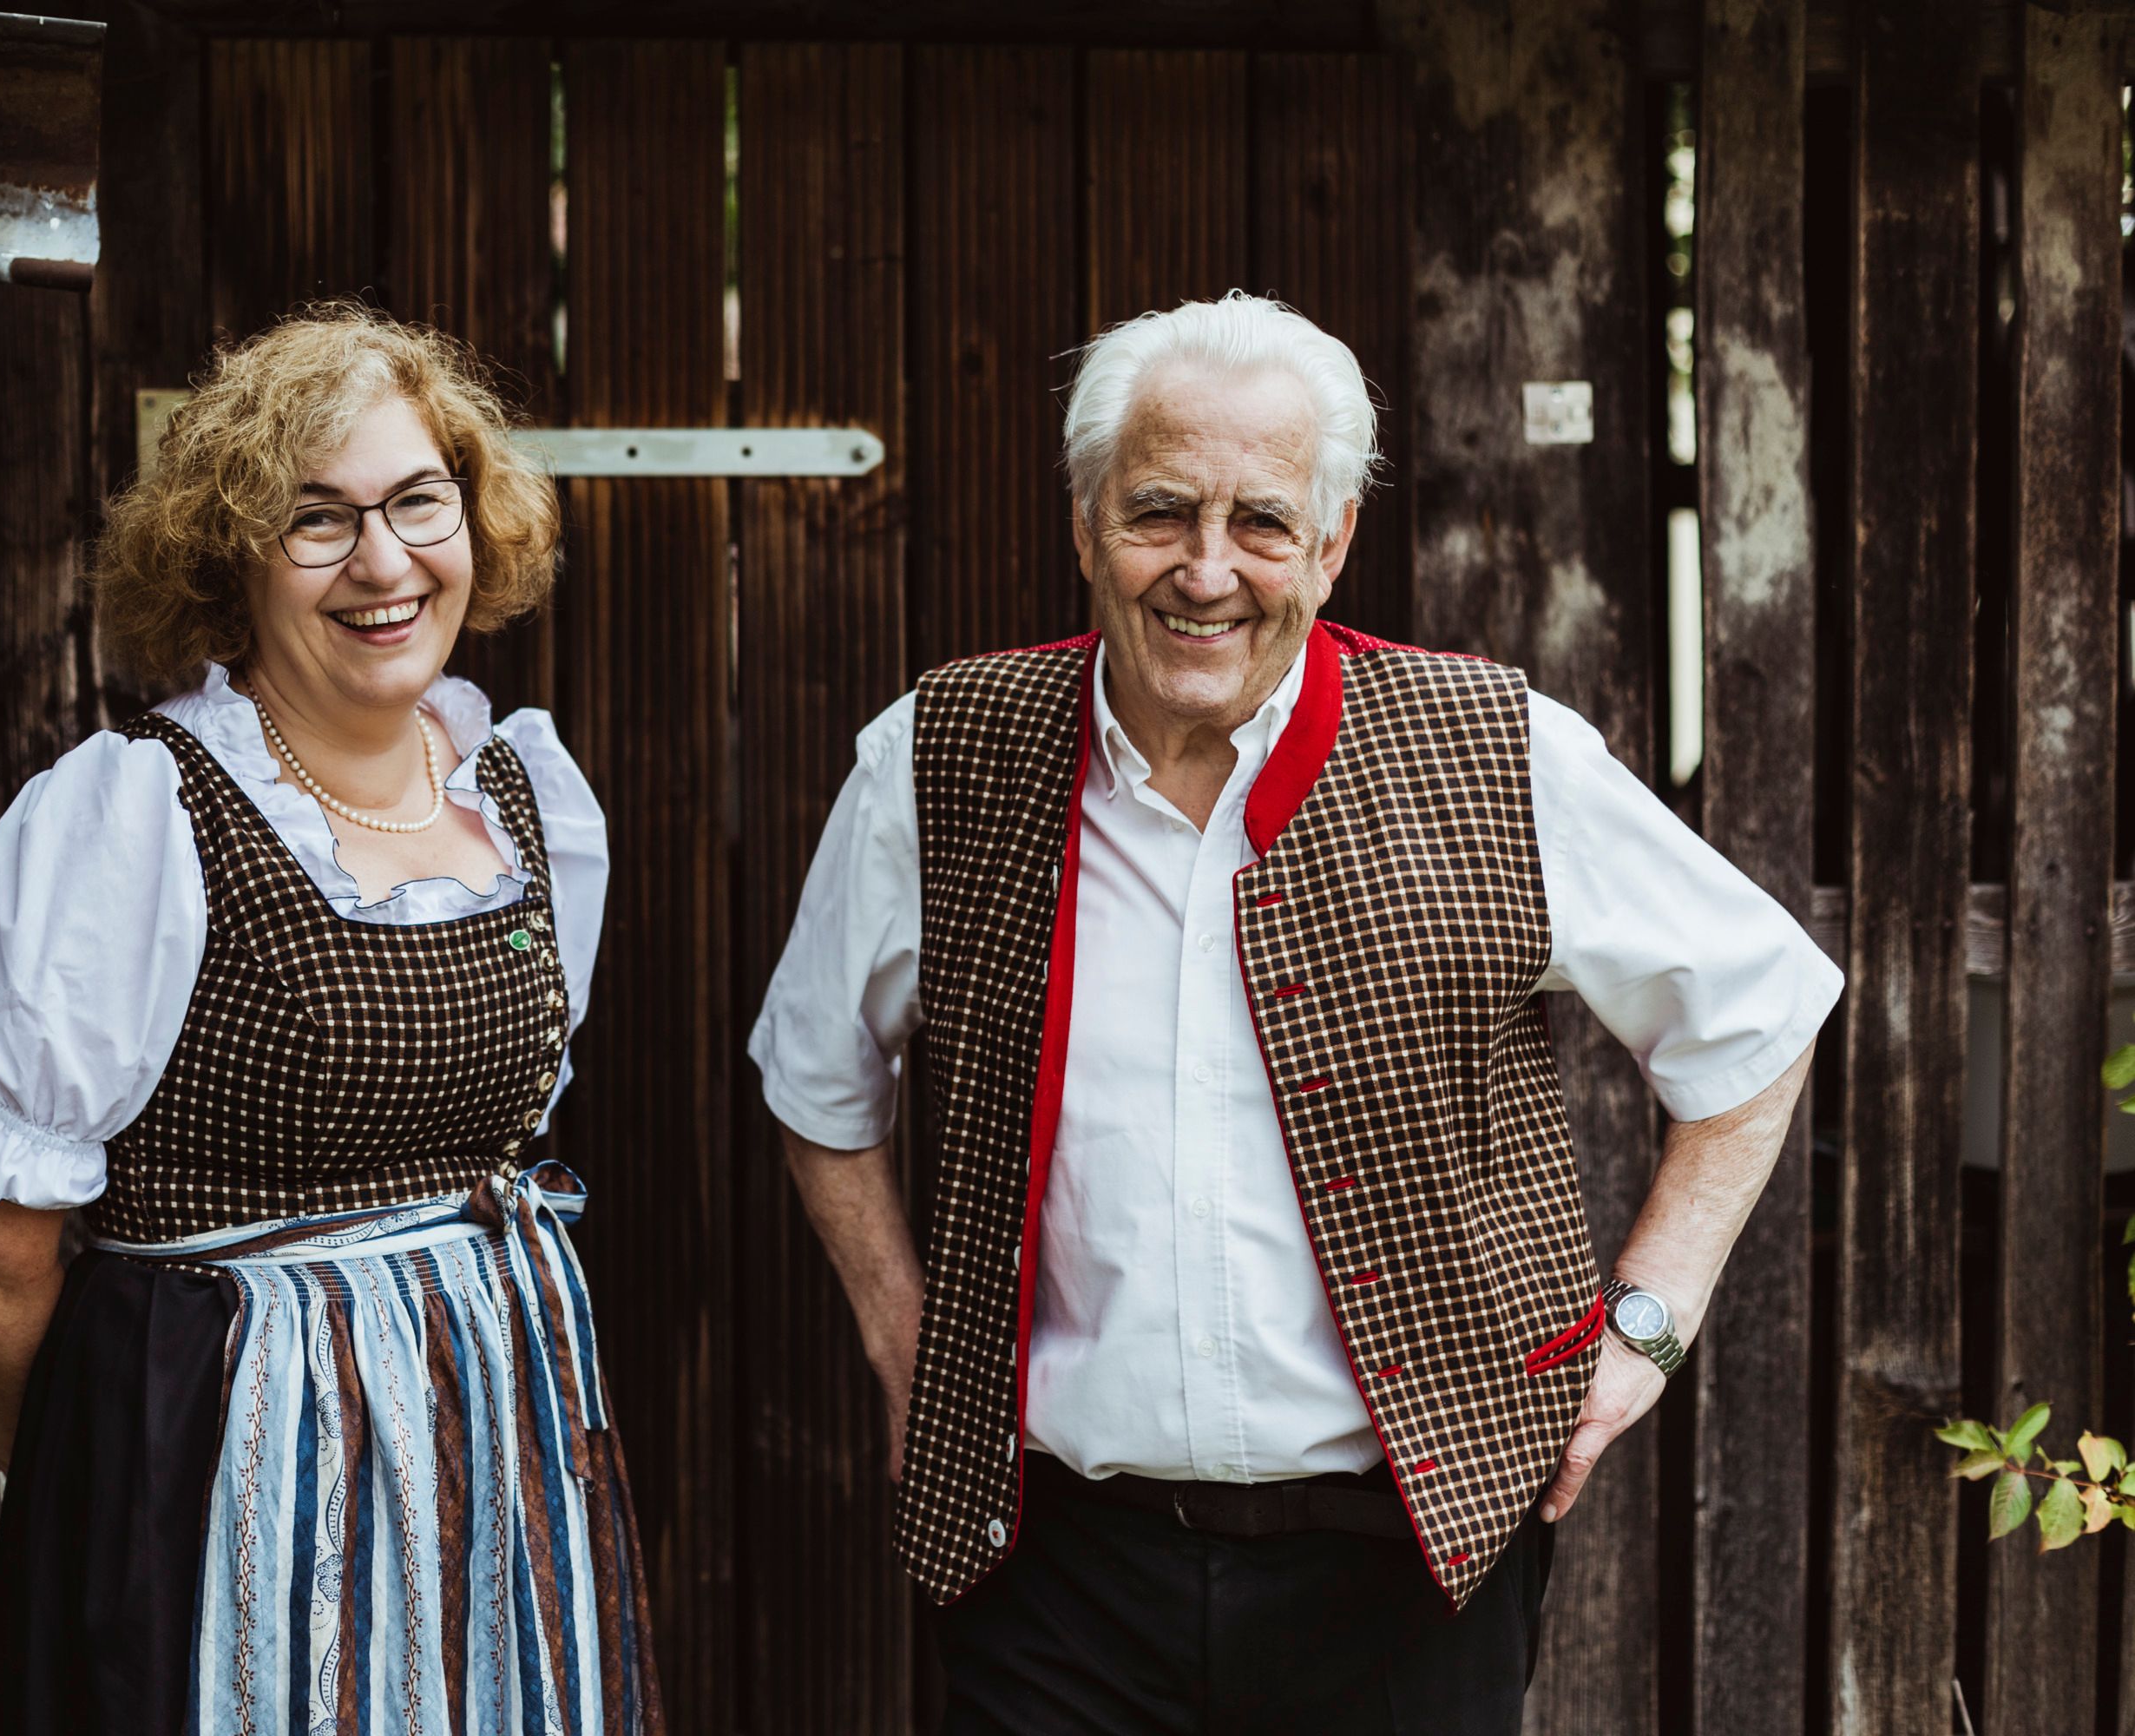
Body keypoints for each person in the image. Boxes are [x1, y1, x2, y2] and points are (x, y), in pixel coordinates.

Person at [747, 291, 1840, 1733]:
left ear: (1329, 547)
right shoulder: (939, 755)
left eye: (1262, 522)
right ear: (1085, 527)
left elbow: (1757, 1019)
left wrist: (1647, 1322)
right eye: (1158, 514)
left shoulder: (1495, 749)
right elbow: (818, 1083)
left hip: (1406, 1573)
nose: (1207, 571)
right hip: (1062, 1569)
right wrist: (907, 1343)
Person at [0, 304, 661, 1735]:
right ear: (229, 562)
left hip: (494, 1443)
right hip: (223, 1475)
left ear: (475, 521)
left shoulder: (523, 800)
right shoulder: (137, 817)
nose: (383, 562)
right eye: (317, 521)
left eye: (418, 501)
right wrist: (111, 1486)